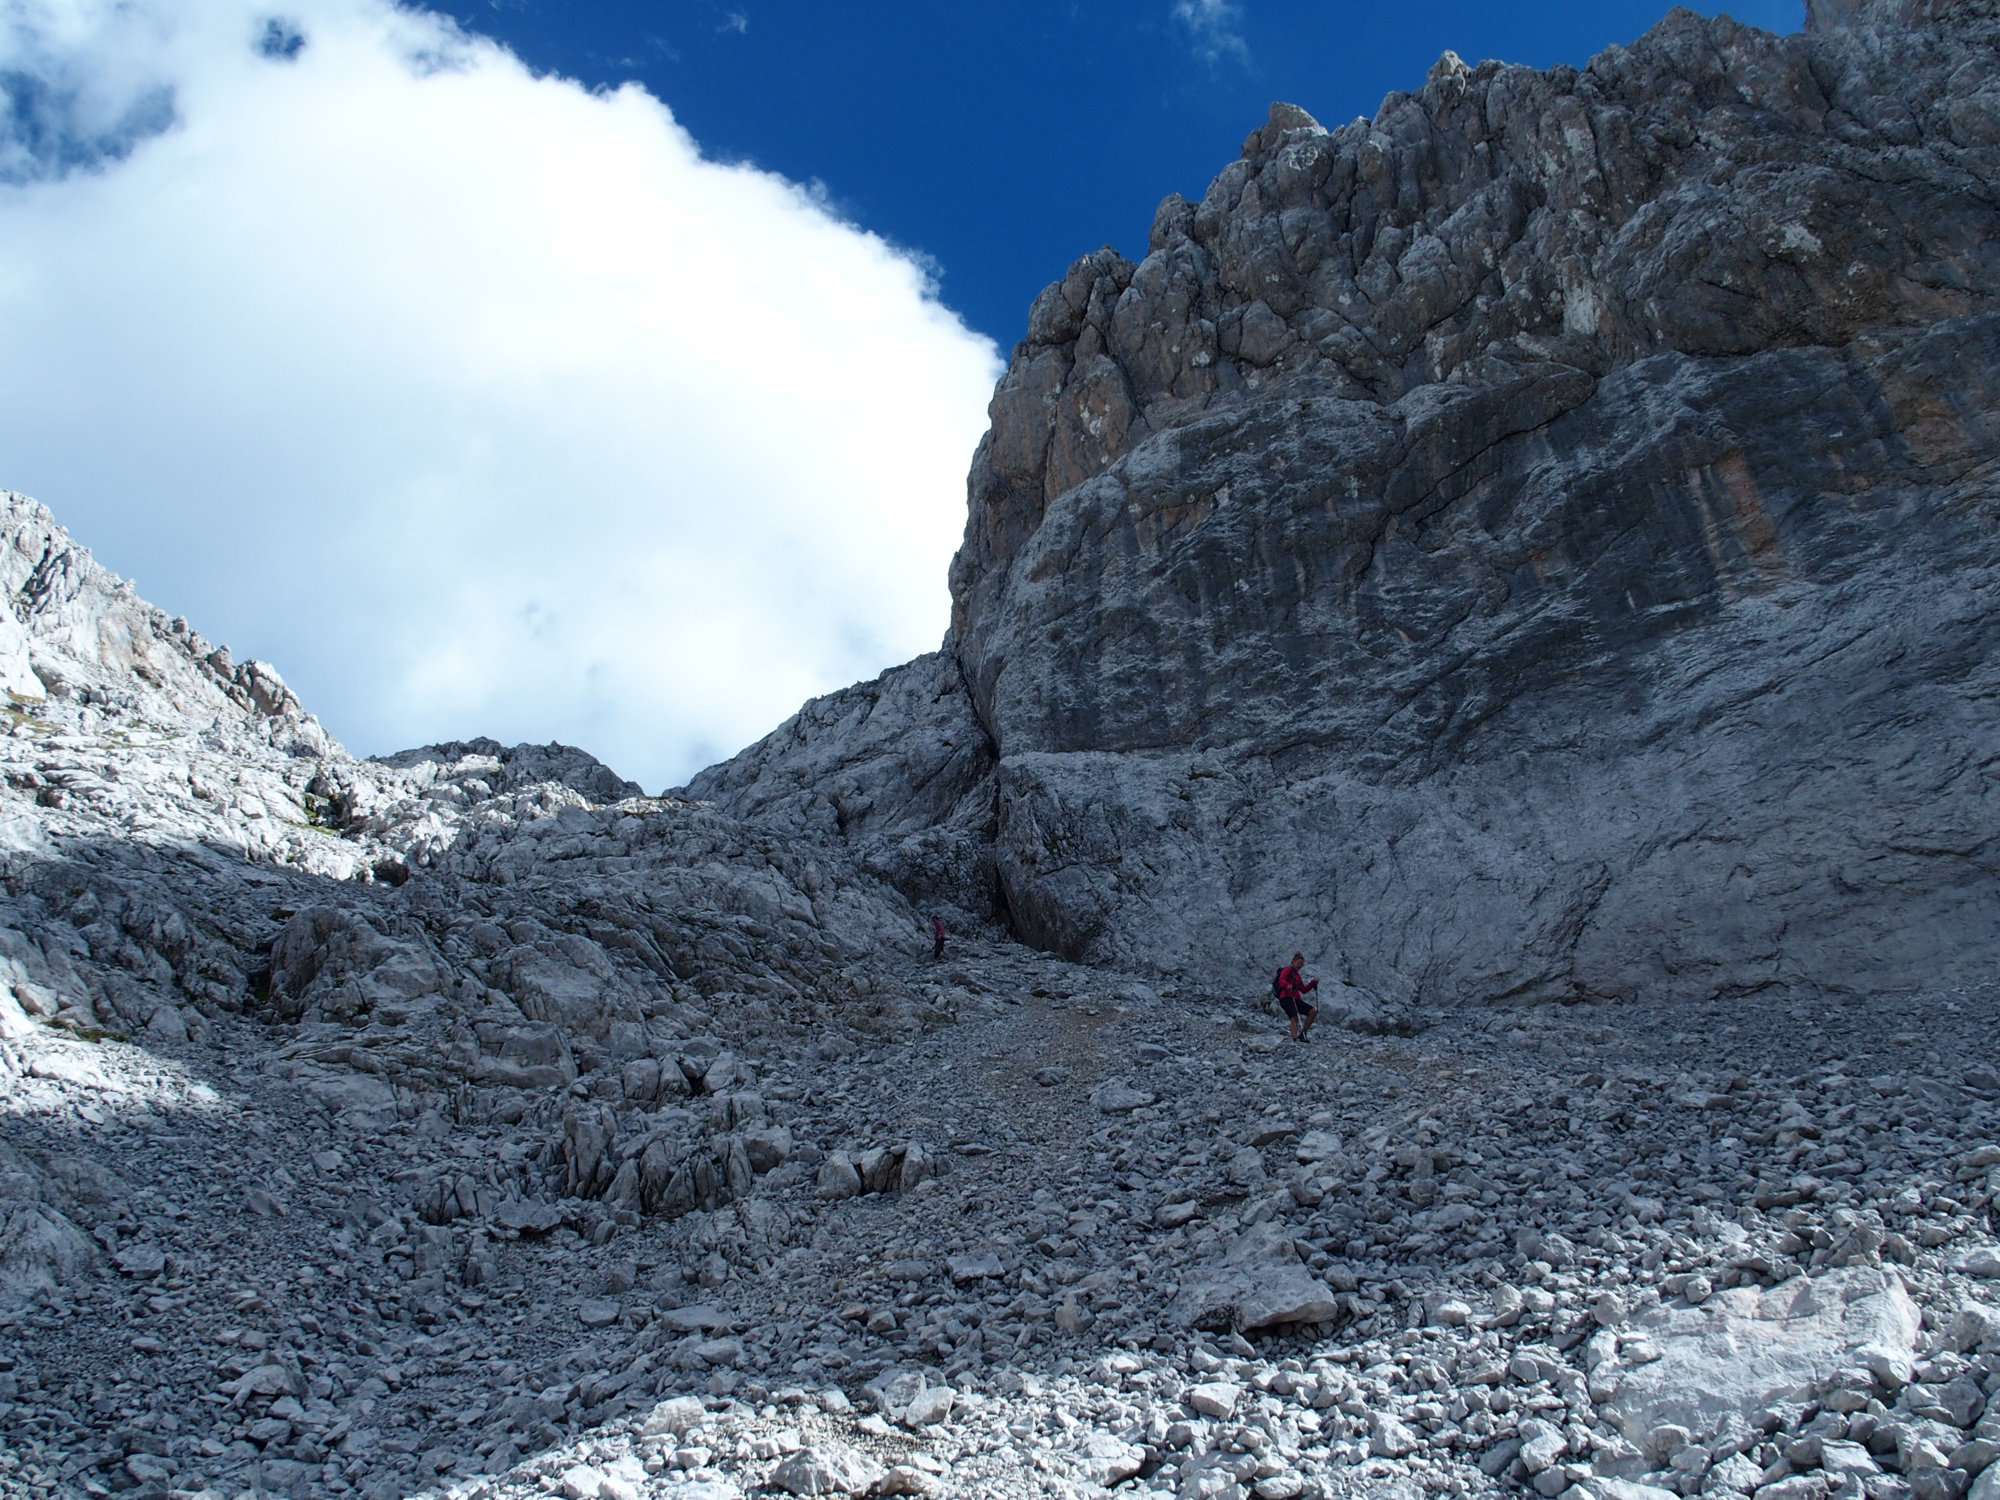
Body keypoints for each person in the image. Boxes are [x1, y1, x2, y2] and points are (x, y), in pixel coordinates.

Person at [1275, 951, 1319, 1042]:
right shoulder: (1287, 969)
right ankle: (1294, 1038)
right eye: (1299, 963)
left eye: (1301, 965)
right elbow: (1281, 980)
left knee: (1313, 1012)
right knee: (1294, 1017)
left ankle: (1303, 1034)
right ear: (1294, 961)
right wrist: (1288, 985)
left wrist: (1312, 983)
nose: (1300, 966)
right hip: (1286, 997)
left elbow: (1303, 990)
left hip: (1295, 998)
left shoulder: (1297, 975)